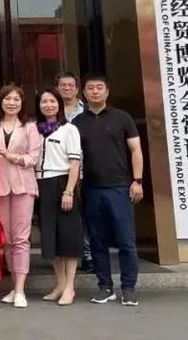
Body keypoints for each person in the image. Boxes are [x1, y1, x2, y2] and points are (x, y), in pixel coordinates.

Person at [74, 73, 143, 307]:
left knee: (126, 240)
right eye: (90, 88)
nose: (95, 91)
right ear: (84, 93)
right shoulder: (77, 123)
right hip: (91, 188)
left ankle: (129, 287)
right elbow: (74, 158)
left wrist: (137, 180)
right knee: (97, 241)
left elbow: (135, 150)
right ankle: (105, 286)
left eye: (99, 87)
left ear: (107, 91)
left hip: (120, 187)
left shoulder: (122, 117)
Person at [0, 84, 41, 309]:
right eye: (8, 99)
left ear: (22, 103)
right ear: (0, 102)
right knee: (6, 239)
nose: (12, 103)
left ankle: (21, 290)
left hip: (24, 186)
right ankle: (14, 287)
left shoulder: (30, 127)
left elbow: (34, 158)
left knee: (22, 238)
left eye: (16, 99)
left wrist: (11, 156)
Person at [35, 88, 83, 306]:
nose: (48, 105)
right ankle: (60, 284)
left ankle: (70, 287)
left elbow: (75, 163)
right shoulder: (35, 130)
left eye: (52, 101)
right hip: (42, 184)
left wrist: (69, 191)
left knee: (68, 237)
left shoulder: (69, 129)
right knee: (50, 238)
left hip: (63, 183)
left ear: (59, 104)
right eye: (44, 102)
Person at [55, 70, 93, 273]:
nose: (67, 88)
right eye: (63, 85)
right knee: (65, 215)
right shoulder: (51, 110)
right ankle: (63, 256)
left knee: (87, 215)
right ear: (57, 88)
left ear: (78, 89)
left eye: (71, 85)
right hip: (60, 172)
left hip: (86, 170)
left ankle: (88, 255)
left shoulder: (87, 111)